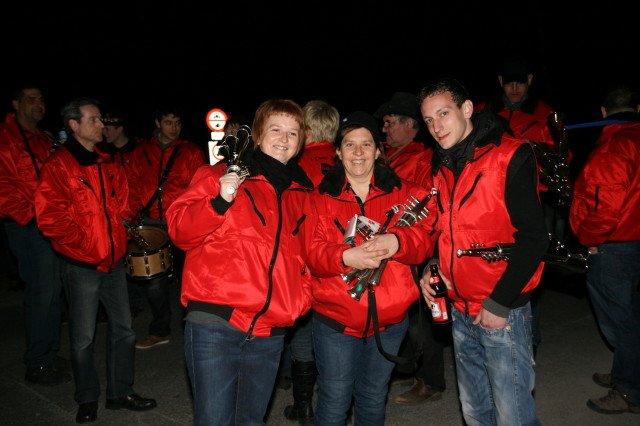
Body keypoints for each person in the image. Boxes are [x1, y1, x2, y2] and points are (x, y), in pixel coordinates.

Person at [166, 99, 314, 425]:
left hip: (270, 330)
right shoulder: (220, 174)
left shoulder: (303, 194)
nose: (284, 138)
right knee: (214, 420)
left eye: (293, 133)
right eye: (275, 129)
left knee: (251, 421)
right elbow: (179, 230)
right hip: (216, 323)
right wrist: (219, 201)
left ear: (301, 142)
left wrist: (298, 301)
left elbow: (308, 257)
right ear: (258, 135)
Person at [418, 78, 548, 426]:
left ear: (466, 109)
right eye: (428, 120)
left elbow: (535, 238)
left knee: (513, 416)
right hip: (459, 309)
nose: (436, 127)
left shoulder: (510, 155)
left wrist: (500, 302)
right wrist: (433, 266)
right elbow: (446, 232)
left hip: (501, 312)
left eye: (443, 114)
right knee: (475, 413)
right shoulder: (442, 165)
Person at [304, 111, 435, 425]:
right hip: (335, 320)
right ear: (338, 152)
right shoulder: (320, 197)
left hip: (389, 321)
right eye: (350, 145)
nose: (358, 152)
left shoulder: (406, 193)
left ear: (378, 150)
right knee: (334, 401)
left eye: (366, 144)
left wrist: (398, 241)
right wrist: (345, 257)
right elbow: (310, 253)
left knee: (374, 398)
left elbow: (427, 242)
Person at [35, 98, 156, 423]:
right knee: (83, 339)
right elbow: (49, 217)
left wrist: (121, 229)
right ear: (74, 125)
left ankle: (120, 393)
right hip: (82, 266)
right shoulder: (59, 165)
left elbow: (126, 200)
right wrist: (88, 245)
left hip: (114, 263)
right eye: (94, 120)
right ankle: (87, 398)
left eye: (101, 119)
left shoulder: (107, 160)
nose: (102, 125)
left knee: (125, 331)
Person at [569, 85, 640, 415]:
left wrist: (589, 239)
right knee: (630, 314)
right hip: (633, 243)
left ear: (602, 112)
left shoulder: (615, 146)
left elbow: (604, 208)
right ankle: (627, 370)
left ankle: (629, 390)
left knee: (621, 322)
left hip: (616, 246)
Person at [374, 91, 445, 406]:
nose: (385, 129)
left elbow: (422, 206)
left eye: (390, 123)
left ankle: (430, 381)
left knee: (422, 317)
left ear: (410, 125)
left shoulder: (421, 158)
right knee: (404, 313)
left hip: (417, 248)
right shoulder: (396, 155)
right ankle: (411, 368)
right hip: (397, 247)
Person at [0, 83, 69, 386]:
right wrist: (31, 215)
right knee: (43, 292)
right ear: (15, 104)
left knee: (52, 292)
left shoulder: (45, 138)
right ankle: (38, 361)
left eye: (40, 99)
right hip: (29, 227)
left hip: (51, 225)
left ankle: (48, 353)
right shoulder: (6, 138)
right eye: (30, 99)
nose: (38, 103)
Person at [280, 99, 339, 423]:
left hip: (305, 260)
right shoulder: (348, 160)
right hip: (339, 259)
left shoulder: (294, 164)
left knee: (303, 334)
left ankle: (303, 404)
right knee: (334, 335)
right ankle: (334, 402)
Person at [128, 106, 205, 350]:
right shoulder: (140, 152)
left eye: (177, 122)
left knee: (190, 277)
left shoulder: (191, 152)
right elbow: (131, 186)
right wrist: (132, 217)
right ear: (157, 123)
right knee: (154, 281)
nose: (174, 127)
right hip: (152, 222)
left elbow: (200, 188)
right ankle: (160, 330)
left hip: (182, 222)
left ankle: (194, 329)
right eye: (168, 122)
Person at [101, 109, 144, 317]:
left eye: (108, 128)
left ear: (119, 129)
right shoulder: (103, 153)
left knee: (136, 260)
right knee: (119, 260)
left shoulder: (139, 151)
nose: (103, 131)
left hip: (137, 213)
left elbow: (144, 184)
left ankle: (134, 304)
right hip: (114, 215)